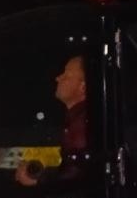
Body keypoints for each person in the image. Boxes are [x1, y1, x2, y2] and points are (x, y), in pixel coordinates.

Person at [16, 52, 92, 188]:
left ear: (83, 87)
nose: (58, 78)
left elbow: (75, 177)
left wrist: (38, 180)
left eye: (67, 75)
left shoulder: (82, 124)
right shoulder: (75, 118)